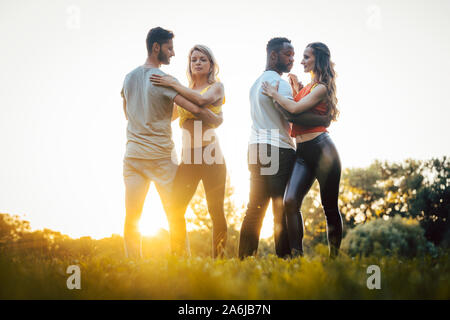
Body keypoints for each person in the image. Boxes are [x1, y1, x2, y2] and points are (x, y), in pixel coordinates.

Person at [121, 27, 222, 259]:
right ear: (156, 47)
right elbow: (194, 108)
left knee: (132, 215)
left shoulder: (129, 78)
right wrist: (216, 119)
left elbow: (128, 113)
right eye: (169, 48)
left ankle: (133, 267)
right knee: (175, 213)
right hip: (160, 159)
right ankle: (181, 264)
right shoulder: (165, 80)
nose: (173, 53)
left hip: (133, 157)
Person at [238, 38, 331, 259]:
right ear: (273, 56)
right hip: (277, 148)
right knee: (282, 206)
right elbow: (294, 114)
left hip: (255, 148)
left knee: (255, 207)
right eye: (288, 55)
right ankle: (286, 259)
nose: (292, 59)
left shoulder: (255, 84)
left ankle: (244, 259)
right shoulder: (279, 85)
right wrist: (325, 119)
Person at [261, 42, 343, 258]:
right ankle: (297, 257)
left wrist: (273, 93)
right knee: (290, 202)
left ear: (318, 60)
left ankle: (334, 259)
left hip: (323, 150)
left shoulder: (322, 87)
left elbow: (294, 109)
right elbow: (294, 115)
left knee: (329, 207)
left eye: (306, 57)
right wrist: (296, 89)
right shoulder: (308, 87)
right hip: (303, 153)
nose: (301, 61)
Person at [150, 45, 227, 258]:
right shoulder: (183, 91)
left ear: (211, 64)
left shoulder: (216, 87)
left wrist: (174, 85)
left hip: (211, 155)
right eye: (194, 60)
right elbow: (168, 116)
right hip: (189, 158)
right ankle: (179, 257)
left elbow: (201, 101)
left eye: (203, 59)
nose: (198, 63)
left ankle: (219, 261)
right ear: (189, 64)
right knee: (175, 208)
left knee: (215, 211)